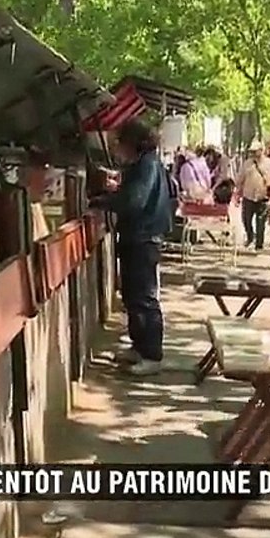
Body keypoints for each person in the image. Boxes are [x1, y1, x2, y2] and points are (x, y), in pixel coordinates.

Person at [94, 118, 175, 376]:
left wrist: (104, 201)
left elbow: (134, 201)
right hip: (138, 237)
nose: (118, 148)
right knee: (134, 296)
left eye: (120, 142)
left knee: (144, 297)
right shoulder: (144, 163)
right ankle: (140, 347)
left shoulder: (147, 165)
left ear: (132, 143)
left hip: (143, 237)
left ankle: (152, 354)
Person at [237, 141, 270, 249]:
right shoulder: (247, 164)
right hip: (248, 196)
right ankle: (250, 236)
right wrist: (237, 192)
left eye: (255, 151)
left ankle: (259, 244)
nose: (253, 153)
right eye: (251, 151)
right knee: (246, 219)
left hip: (263, 197)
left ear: (261, 151)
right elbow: (240, 179)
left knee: (261, 222)